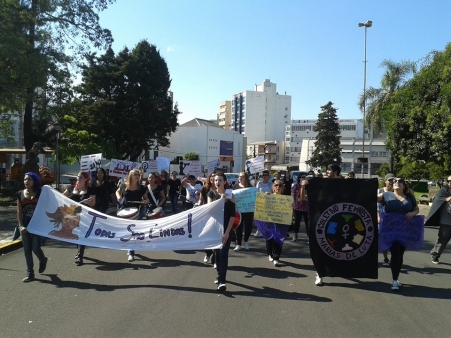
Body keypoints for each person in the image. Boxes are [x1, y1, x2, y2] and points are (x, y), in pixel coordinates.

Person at [302, 163, 341, 285]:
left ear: (335, 172)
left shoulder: (342, 185)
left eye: (329, 170)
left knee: (332, 244)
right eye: (327, 170)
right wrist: (304, 186)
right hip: (319, 221)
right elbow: (304, 198)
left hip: (334, 222)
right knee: (319, 246)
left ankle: (331, 269)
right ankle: (319, 273)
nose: (327, 172)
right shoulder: (320, 184)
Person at [378, 177, 419, 290]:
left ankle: (396, 277)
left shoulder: (410, 197)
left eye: (400, 181)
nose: (397, 183)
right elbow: (367, 198)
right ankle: (394, 280)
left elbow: (416, 209)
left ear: (404, 186)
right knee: (395, 253)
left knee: (400, 254)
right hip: (390, 229)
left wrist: (412, 213)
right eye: (395, 181)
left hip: (405, 230)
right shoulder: (385, 195)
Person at [17, 172, 48, 282]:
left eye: (29, 179)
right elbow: (19, 212)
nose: (26, 181)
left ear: (34, 181)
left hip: (37, 225)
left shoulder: (40, 192)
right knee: (27, 250)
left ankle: (43, 259)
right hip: (25, 224)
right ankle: (30, 273)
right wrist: (21, 226)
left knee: (35, 248)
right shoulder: (20, 194)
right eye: (25, 179)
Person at [207, 172, 235, 291]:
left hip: (226, 230)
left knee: (224, 255)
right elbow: (209, 210)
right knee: (217, 255)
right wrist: (219, 201)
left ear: (225, 182)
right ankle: (219, 274)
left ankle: (222, 280)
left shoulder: (230, 195)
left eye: (220, 180)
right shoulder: (211, 194)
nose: (217, 182)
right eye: (216, 180)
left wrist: (227, 232)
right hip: (214, 230)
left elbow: (232, 216)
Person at [63, 171, 96, 265]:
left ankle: (80, 256)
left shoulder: (90, 190)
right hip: (72, 216)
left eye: (80, 177)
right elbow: (61, 197)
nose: (78, 178)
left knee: (81, 234)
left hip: (84, 216)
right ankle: (79, 250)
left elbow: (93, 203)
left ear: (85, 179)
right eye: (78, 177)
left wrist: (87, 202)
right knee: (74, 234)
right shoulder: (71, 188)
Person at [116, 169, 149, 262]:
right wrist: (119, 197)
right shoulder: (124, 185)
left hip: (136, 213)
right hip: (124, 212)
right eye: (135, 174)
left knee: (133, 232)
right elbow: (117, 192)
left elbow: (146, 199)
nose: (137, 176)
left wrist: (145, 201)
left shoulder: (141, 188)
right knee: (127, 232)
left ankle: (131, 252)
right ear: (130, 175)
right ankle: (130, 248)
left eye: (138, 174)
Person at [427, 175, 451, 264]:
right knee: (443, 239)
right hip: (446, 221)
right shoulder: (444, 191)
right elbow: (438, 200)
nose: (449, 183)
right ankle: (435, 255)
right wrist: (446, 199)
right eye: (448, 181)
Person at [265, 179, 289, 266]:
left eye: (280, 186)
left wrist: (291, 206)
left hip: (280, 222)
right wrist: (265, 197)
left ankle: (276, 258)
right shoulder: (269, 196)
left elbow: (289, 211)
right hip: (270, 221)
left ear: (282, 188)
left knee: (278, 239)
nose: (278, 187)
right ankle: (270, 254)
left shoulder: (286, 199)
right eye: (276, 185)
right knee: (270, 238)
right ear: (273, 188)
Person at [232, 171, 254, 251]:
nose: (240, 178)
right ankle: (238, 244)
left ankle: (246, 241)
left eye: (242, 176)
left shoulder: (250, 187)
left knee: (248, 227)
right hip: (238, 211)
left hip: (248, 211)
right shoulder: (235, 187)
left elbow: (254, 197)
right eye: (239, 176)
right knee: (238, 227)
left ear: (246, 178)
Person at [200, 172, 218, 265]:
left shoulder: (221, 190)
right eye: (212, 177)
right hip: (207, 216)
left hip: (218, 217)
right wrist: (198, 206)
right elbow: (201, 200)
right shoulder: (205, 188)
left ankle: (215, 259)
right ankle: (207, 253)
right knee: (207, 236)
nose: (213, 179)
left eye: (215, 177)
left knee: (216, 238)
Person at [378, 173, 394, 266]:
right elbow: (377, 205)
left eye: (393, 180)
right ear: (386, 181)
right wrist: (378, 217)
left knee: (393, 239)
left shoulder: (396, 192)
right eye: (390, 180)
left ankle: (393, 257)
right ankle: (385, 258)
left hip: (393, 219)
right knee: (384, 239)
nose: (392, 182)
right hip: (382, 218)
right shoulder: (380, 191)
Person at [254, 170, 273, 237]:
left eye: (265, 175)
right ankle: (258, 230)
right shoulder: (259, 183)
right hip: (260, 203)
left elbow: (274, 193)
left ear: (268, 176)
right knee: (259, 217)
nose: (264, 176)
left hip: (268, 203)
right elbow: (256, 192)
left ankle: (265, 231)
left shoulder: (271, 184)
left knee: (266, 218)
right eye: (263, 175)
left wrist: (270, 194)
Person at [291, 174, 309, 242]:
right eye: (302, 177)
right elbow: (293, 195)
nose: (304, 178)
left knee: (307, 222)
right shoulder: (296, 186)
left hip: (306, 207)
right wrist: (293, 205)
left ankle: (308, 236)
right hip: (297, 206)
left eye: (305, 177)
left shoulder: (308, 186)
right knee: (297, 222)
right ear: (299, 178)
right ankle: (295, 235)